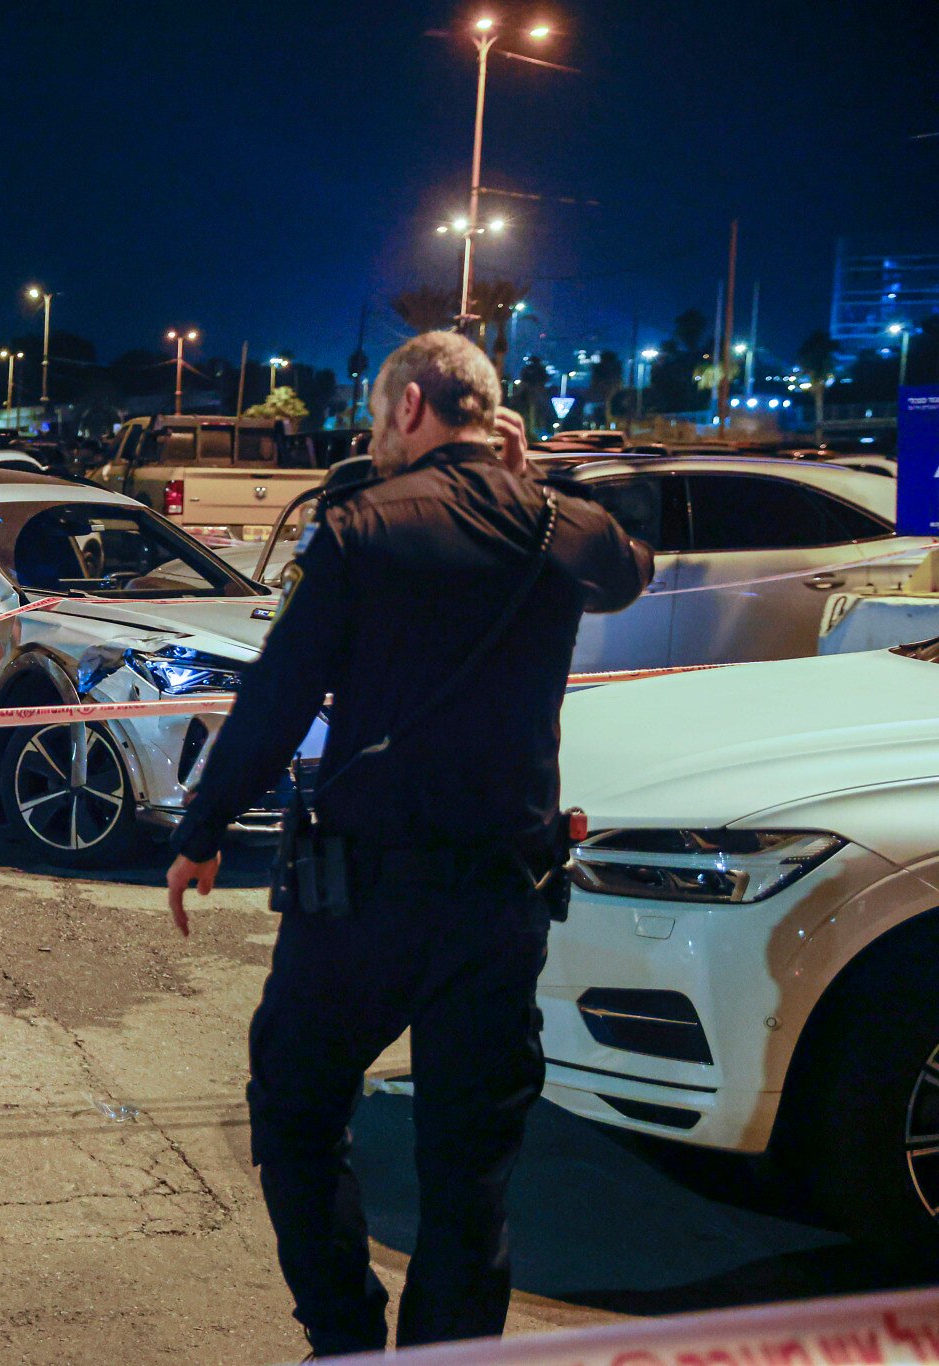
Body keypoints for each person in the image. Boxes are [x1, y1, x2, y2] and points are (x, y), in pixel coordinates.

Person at [164, 333, 652, 1357]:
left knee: (294, 1112)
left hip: (360, 902)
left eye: (380, 414)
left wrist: (203, 828)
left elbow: (277, 695)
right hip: (498, 901)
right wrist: (532, 483)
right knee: (468, 1166)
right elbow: (629, 572)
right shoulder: (559, 526)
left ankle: (344, 1335)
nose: (374, 435)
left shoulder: (359, 530)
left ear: (416, 406)